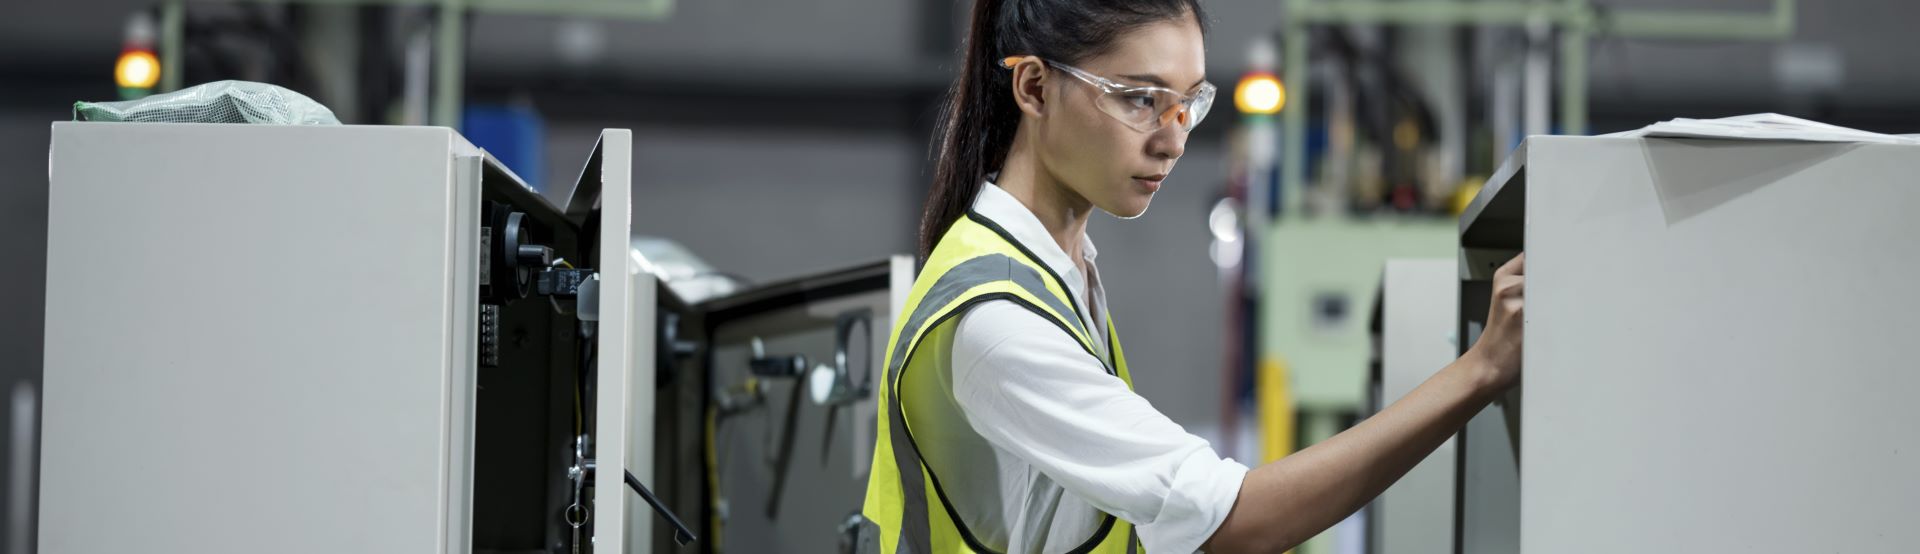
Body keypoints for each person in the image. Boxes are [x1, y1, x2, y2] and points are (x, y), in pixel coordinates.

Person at [858, 0, 1527, 551]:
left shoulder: (1056, 270)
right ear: (1034, 87)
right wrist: (1479, 370)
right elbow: (1233, 520)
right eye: (1140, 100)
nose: (1173, 139)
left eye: (1188, 103)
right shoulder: (997, 319)